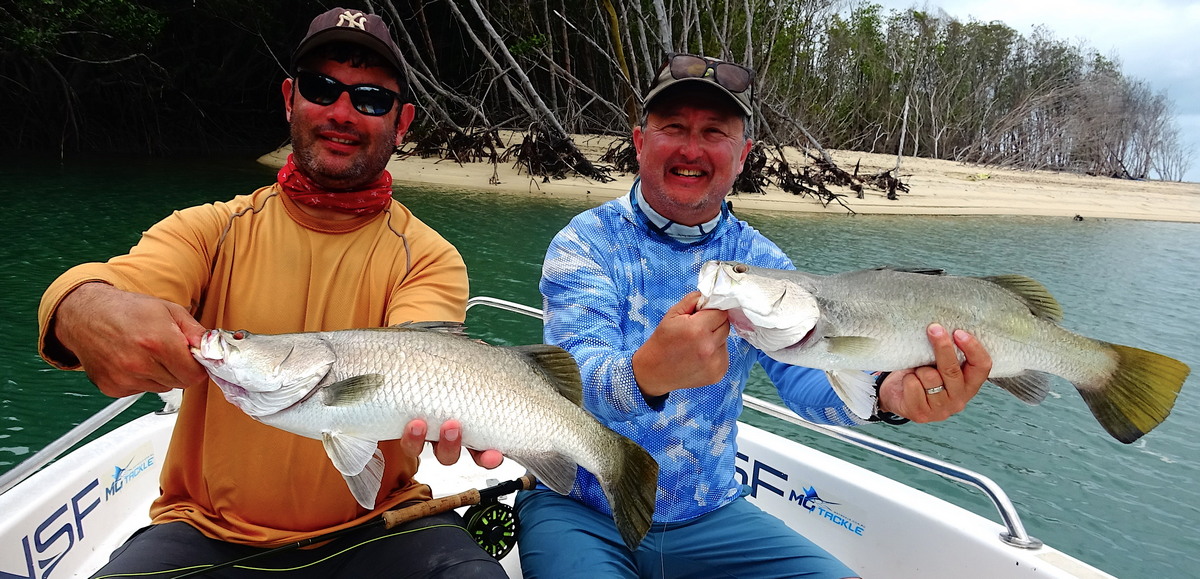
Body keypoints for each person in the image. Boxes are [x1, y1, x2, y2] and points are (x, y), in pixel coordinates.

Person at [37, 8, 505, 577]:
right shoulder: (209, 230)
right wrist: (80, 307)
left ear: (402, 123)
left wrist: (450, 418)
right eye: (321, 87)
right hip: (203, 529)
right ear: (289, 98)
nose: (341, 112)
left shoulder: (428, 257)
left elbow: (417, 364)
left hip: (381, 524)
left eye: (371, 100)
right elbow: (110, 284)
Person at [514, 53, 993, 578]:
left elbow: (804, 377)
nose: (691, 149)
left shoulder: (765, 264)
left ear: (742, 155)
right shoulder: (584, 244)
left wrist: (885, 395)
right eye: (673, 127)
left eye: (714, 132)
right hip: (581, 507)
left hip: (710, 513)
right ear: (640, 143)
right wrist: (646, 373)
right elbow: (567, 386)